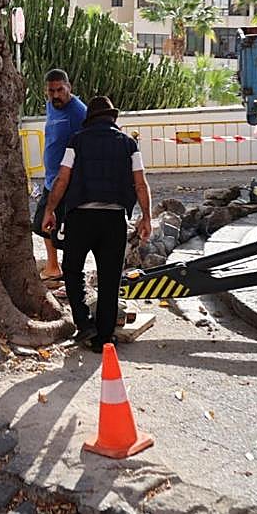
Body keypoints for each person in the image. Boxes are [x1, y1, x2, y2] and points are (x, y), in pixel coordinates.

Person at [41, 96, 152, 353]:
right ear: (113, 119)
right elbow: (140, 183)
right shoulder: (128, 144)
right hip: (114, 219)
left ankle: (83, 322)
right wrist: (146, 217)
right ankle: (104, 338)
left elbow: (62, 179)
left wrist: (49, 210)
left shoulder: (77, 141)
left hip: (81, 218)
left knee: (71, 270)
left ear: (90, 119)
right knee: (110, 278)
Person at [31, 69, 87, 282]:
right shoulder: (51, 106)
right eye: (51, 91)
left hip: (67, 181)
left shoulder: (79, 112)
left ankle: (71, 271)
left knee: (66, 230)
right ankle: (53, 266)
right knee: (43, 226)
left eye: (60, 90)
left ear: (69, 87)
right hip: (50, 179)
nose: (55, 95)